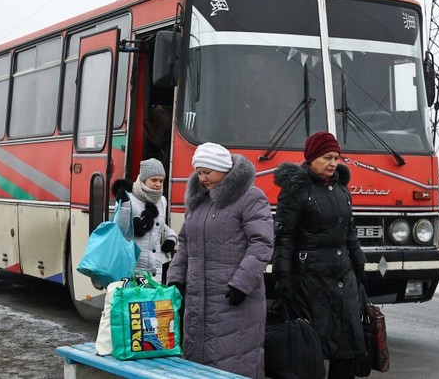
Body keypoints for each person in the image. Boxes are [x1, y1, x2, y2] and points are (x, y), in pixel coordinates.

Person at [166, 142, 274, 378]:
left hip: (234, 299)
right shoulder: (198, 201)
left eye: (208, 172)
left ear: (224, 169)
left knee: (232, 362)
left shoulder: (251, 197)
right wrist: (175, 279)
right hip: (198, 299)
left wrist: (242, 283)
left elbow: (262, 243)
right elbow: (185, 243)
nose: (202, 178)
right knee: (197, 365)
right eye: (199, 172)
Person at [272, 131, 366, 379]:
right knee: (312, 345)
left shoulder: (341, 189)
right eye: (327, 157)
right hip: (310, 280)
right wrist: (282, 277)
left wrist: (359, 268)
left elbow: (350, 231)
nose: (333, 163)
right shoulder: (296, 190)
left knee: (347, 342)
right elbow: (284, 237)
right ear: (311, 158)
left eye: (336, 157)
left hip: (343, 277)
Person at [111, 158, 178, 281]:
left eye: (161, 181)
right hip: (131, 269)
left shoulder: (162, 200)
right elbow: (119, 231)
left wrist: (172, 238)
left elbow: (161, 226)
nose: (158, 184)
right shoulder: (127, 198)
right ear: (143, 179)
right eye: (154, 180)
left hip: (155, 271)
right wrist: (125, 207)